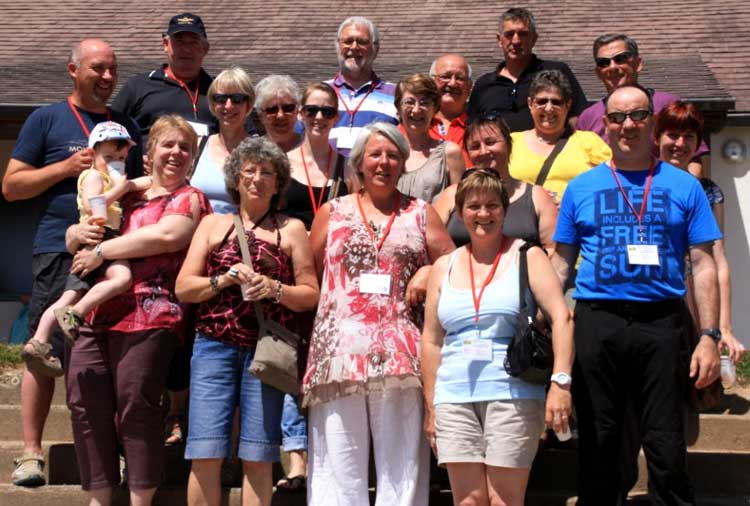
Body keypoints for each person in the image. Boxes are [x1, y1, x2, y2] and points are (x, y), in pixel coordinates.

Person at [553, 85, 722, 505]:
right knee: (600, 440)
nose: (627, 125)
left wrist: (709, 336)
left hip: (662, 322)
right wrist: (543, 317)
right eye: (617, 117)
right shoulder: (580, 188)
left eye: (638, 115)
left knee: (666, 442)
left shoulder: (685, 187)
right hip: (598, 322)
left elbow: (703, 264)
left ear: (652, 122)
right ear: (605, 125)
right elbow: (561, 264)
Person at [1, 38, 142, 487]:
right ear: (73, 70)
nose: (107, 77)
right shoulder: (46, 118)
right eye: (97, 68)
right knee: (43, 351)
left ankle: (116, 453)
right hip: (58, 249)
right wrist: (65, 169)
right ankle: (31, 453)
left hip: (115, 247)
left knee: (114, 352)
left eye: (112, 69)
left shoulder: (125, 124)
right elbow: (11, 187)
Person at [302, 122, 455, 505]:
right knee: (337, 466)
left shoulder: (421, 213)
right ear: (359, 162)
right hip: (338, 353)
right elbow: (309, 272)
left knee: (401, 466)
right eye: (375, 154)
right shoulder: (332, 212)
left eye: (392, 155)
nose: (383, 162)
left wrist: (427, 271)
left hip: (400, 354)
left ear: (403, 162)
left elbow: (454, 265)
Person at [64, 114, 210, 506]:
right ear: (150, 150)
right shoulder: (122, 193)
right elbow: (82, 224)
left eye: (185, 147)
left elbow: (167, 236)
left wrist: (100, 250)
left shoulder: (190, 197)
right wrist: (75, 235)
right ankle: (99, 498)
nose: (176, 153)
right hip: (94, 309)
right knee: (84, 401)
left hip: (150, 313)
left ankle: (140, 500)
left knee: (136, 406)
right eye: (168, 144)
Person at [176, 136, 319, 506]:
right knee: (205, 451)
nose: (257, 178)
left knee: (258, 454)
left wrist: (273, 288)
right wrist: (222, 280)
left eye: (266, 172)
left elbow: (309, 294)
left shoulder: (291, 229)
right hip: (212, 347)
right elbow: (184, 287)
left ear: (278, 182)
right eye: (249, 171)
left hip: (266, 351)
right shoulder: (213, 224)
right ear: (236, 179)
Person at [421, 169, 574, 506]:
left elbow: (562, 318)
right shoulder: (444, 266)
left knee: (504, 500)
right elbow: (431, 340)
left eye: (492, 205)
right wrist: (431, 406)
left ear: (505, 211)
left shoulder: (527, 255)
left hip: (512, 394)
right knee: (468, 501)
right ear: (460, 213)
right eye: (474, 206)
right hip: (453, 397)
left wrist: (560, 383)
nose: (483, 214)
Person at [21, 121, 150, 377]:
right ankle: (67, 321)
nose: (115, 163)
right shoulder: (93, 176)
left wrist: (153, 179)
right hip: (96, 237)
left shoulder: (110, 179)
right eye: (109, 157)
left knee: (72, 294)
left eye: (121, 158)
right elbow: (94, 207)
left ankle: (40, 340)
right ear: (92, 154)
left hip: (102, 238)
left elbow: (139, 183)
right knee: (119, 279)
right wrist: (119, 189)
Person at [654, 101, 745, 361]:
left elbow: (718, 259)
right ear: (657, 138)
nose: (680, 144)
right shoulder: (639, 184)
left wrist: (724, 327)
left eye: (689, 137)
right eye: (672, 135)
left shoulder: (708, 191)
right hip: (654, 299)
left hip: (695, 295)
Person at [575, 33, 708, 175]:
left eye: (620, 59)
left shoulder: (668, 105)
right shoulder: (587, 118)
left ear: (638, 63)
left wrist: (687, 187)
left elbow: (694, 160)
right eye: (603, 63)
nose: (612, 67)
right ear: (598, 72)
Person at [434, 116, 558, 250]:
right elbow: (432, 244)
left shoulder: (537, 196)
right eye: (475, 146)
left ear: (508, 144)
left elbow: (552, 250)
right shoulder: (451, 195)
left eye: (490, 142)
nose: (483, 151)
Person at [466, 7, 587, 131]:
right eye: (509, 34)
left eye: (523, 34)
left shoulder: (556, 73)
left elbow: (579, 118)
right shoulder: (483, 85)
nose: (516, 41)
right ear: (499, 40)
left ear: (534, 39)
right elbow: (472, 129)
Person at [509, 70, 612, 203]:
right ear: (530, 103)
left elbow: (613, 182)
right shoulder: (511, 142)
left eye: (556, 102)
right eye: (542, 101)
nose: (548, 108)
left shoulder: (588, 142)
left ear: (568, 105)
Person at [112, 12, 214, 140]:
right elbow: (109, 130)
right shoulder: (137, 87)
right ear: (166, 44)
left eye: (193, 42)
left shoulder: (219, 91)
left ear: (205, 48)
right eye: (179, 42)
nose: (186, 50)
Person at [327, 17, 398, 155]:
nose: (354, 47)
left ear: (375, 49)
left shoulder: (395, 94)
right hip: (327, 168)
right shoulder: (319, 93)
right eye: (348, 41)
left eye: (362, 42)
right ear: (337, 47)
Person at [191, 66, 255, 214]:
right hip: (196, 226)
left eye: (237, 99)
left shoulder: (261, 152)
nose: (228, 105)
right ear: (213, 104)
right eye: (221, 99)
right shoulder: (196, 146)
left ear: (249, 104)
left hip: (239, 227)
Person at [395, 73, 465, 202]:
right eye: (409, 102)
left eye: (424, 103)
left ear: (435, 109)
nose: (416, 110)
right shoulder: (388, 152)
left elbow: (459, 205)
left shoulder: (450, 153)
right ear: (399, 108)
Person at [428, 54, 473, 165]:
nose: (452, 83)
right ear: (431, 82)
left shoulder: (479, 127)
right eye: (446, 76)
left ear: (469, 86)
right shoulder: (414, 124)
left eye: (460, 78)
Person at [255, 75, 302, 152]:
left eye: (288, 108)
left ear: (297, 111)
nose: (281, 115)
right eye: (272, 110)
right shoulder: (252, 152)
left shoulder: (311, 147)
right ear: (260, 115)